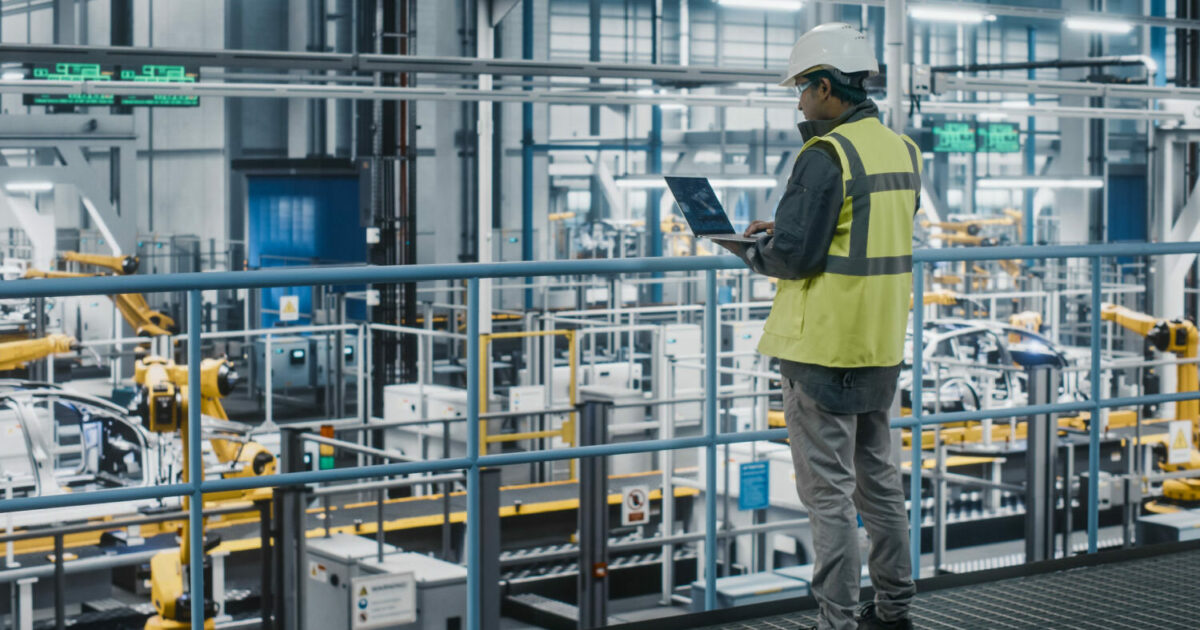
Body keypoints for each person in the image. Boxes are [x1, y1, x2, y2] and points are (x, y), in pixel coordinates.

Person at [719, 22, 921, 630]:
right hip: (880, 342)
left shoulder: (824, 154)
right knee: (880, 486)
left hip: (823, 345)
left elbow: (795, 258)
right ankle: (894, 611)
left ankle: (837, 620)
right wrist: (785, 236)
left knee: (828, 496)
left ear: (829, 88)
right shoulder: (902, 149)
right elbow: (860, 232)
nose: (799, 100)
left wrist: (749, 248)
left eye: (803, 88)